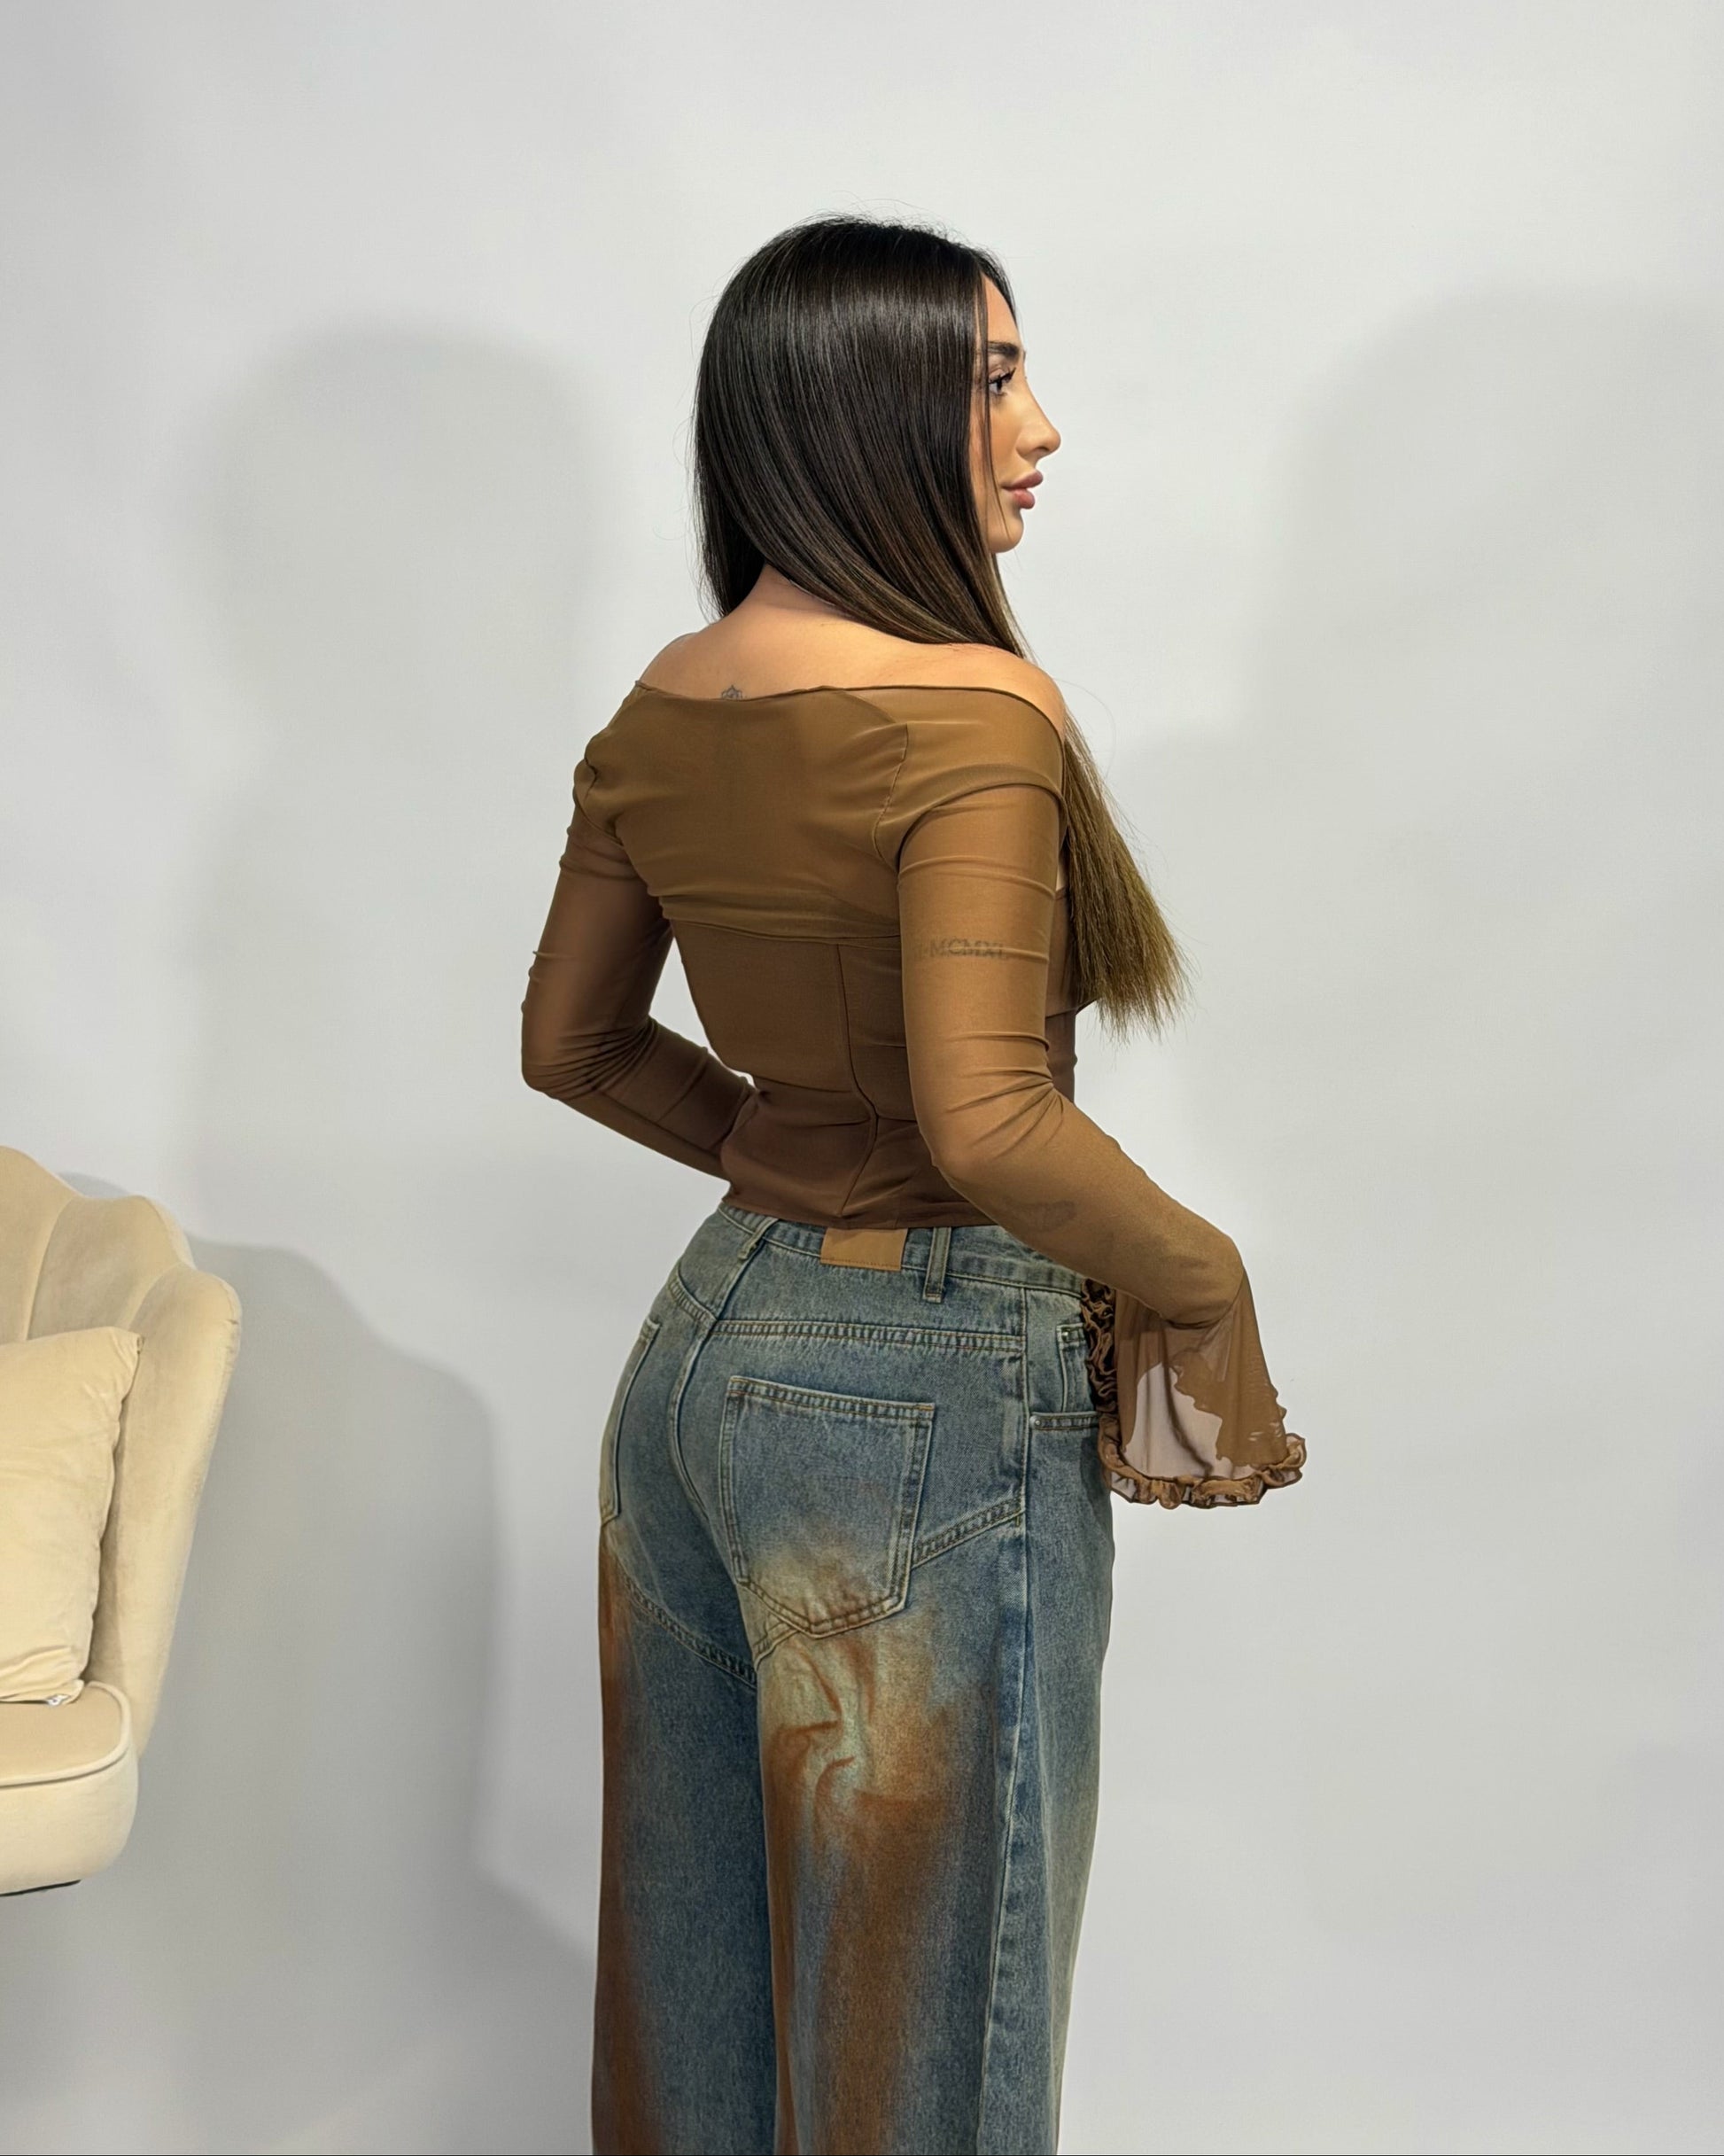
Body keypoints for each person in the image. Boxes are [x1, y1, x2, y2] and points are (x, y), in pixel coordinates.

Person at [521, 213, 1299, 2156]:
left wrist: (781, 1155)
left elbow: (573, 1042)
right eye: (990, 379)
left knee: (696, 2001)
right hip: (918, 1389)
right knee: (930, 2041)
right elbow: (988, 1123)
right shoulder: (975, 710)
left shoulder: (663, 702)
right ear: (862, 413)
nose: (1041, 426)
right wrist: (1201, 1273)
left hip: (699, 1358)